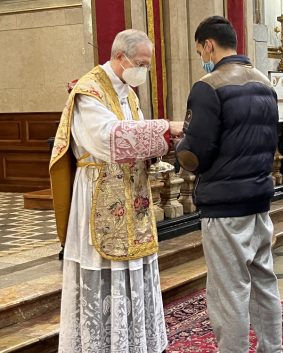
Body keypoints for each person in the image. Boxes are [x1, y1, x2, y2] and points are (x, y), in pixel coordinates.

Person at [50, 29, 184, 352]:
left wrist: (154, 151)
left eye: (147, 65)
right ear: (120, 57)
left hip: (132, 199)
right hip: (100, 198)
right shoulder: (88, 92)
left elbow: (134, 134)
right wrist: (165, 129)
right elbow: (109, 138)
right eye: (141, 63)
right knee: (105, 276)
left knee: (130, 277)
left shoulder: (128, 92)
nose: (144, 71)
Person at [175, 16, 282, 353]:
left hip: (224, 206)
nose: (201, 58)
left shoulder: (209, 85)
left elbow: (197, 152)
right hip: (259, 200)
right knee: (264, 284)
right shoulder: (265, 82)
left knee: (229, 291)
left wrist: (180, 147)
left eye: (199, 51)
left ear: (209, 44)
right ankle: (272, 348)